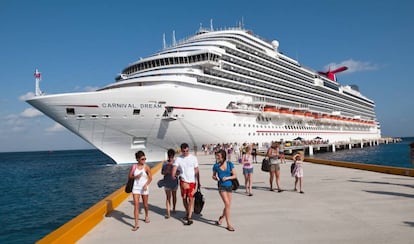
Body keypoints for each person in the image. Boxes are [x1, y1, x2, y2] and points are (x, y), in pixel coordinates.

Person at [172, 143, 200, 225]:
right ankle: (188, 212)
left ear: (189, 149)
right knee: (184, 198)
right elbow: (174, 167)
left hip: (192, 182)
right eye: (184, 151)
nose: (185, 152)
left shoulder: (193, 158)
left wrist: (199, 181)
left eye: (187, 151)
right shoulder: (178, 159)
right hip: (183, 181)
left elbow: (197, 170)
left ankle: (189, 217)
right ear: (181, 150)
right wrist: (173, 175)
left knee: (191, 198)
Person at [212, 149, 236, 231]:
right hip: (221, 186)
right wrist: (215, 178)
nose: (217, 157)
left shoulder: (230, 164)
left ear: (223, 156)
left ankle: (222, 217)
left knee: (228, 205)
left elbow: (235, 175)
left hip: (229, 186)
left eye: (218, 156)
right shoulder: (216, 166)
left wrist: (228, 177)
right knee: (227, 203)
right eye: (217, 156)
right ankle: (228, 224)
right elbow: (213, 176)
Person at [129, 150, 152, 231]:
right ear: (138, 159)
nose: (144, 161)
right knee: (136, 205)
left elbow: (150, 178)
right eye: (142, 159)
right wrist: (136, 177)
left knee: (145, 204)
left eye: (144, 159)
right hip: (136, 188)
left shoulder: (146, 167)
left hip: (144, 188)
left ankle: (146, 215)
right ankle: (136, 224)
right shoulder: (134, 167)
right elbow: (130, 176)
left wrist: (146, 185)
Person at [161, 149, 178, 218]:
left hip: (174, 182)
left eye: (171, 156)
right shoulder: (165, 163)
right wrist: (166, 171)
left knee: (174, 196)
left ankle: (173, 208)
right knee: (168, 197)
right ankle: (168, 213)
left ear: (173, 156)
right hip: (167, 182)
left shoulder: (176, 163)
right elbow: (162, 172)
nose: (170, 158)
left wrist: (174, 173)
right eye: (169, 156)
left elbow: (179, 172)